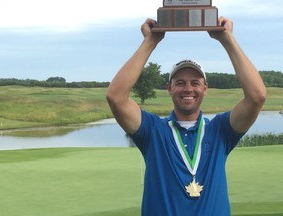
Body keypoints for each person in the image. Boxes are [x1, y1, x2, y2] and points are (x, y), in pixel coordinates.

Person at [106, 17, 266, 216]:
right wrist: (150, 41)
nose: (188, 88)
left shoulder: (221, 130)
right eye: (180, 82)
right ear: (169, 88)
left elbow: (257, 97)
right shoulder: (152, 131)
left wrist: (227, 39)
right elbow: (116, 97)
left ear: (205, 88)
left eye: (195, 83)